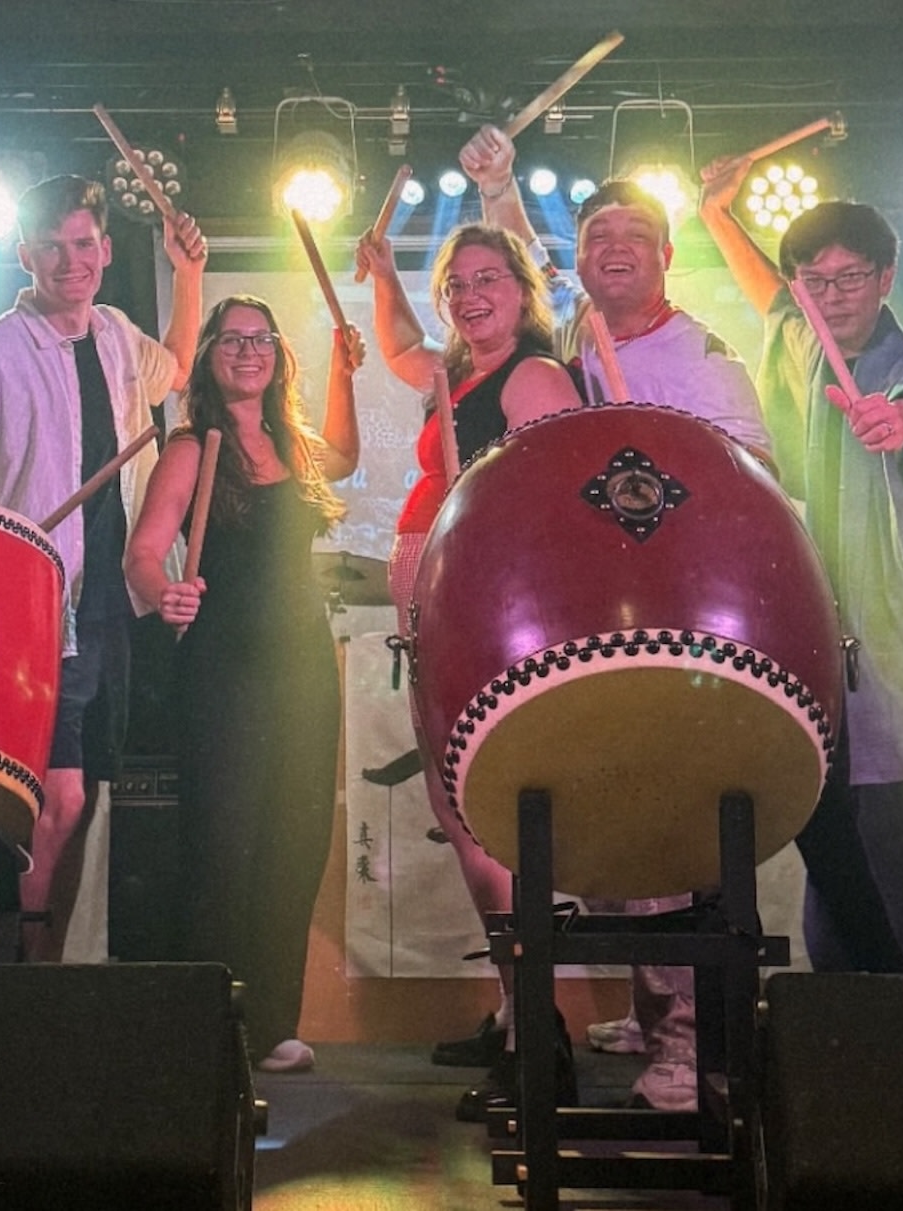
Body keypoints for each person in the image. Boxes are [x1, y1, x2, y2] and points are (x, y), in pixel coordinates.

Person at [456, 123, 774, 1114]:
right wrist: (499, 186)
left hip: (680, 625)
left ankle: (688, 1044)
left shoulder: (694, 355)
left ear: (666, 253)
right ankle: (650, 1014)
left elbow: (745, 478)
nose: (611, 248)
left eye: (631, 232)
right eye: (595, 236)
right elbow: (516, 274)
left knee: (663, 842)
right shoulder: (582, 349)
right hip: (607, 618)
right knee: (611, 830)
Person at [698, 158, 903, 975]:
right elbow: (774, 293)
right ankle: (855, 1038)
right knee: (831, 843)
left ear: (885, 277)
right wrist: (716, 215)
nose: (831, 296)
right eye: (817, 281)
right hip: (827, 655)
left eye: (849, 279)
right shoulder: (804, 335)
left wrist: (893, 421)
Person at [0, 175, 206, 961]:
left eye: (83, 244)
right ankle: (19, 967)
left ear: (106, 252)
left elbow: (175, 370)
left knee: (83, 799)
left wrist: (187, 277)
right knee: (59, 794)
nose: (69, 260)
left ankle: (39, 962)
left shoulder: (113, 333)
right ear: (24, 255)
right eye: (51, 246)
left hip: (107, 599)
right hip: (34, 606)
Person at [356, 220, 585, 1119]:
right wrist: (382, 275)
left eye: (489, 277)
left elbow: (556, 493)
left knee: (488, 826)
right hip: (442, 618)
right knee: (465, 825)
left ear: (524, 291)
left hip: (487, 617)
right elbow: (403, 347)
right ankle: (512, 1010)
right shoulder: (458, 375)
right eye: (455, 281)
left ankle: (541, 1037)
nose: (470, 293)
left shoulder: (533, 376)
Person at [123, 295, 361, 1073]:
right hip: (224, 669)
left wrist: (348, 371)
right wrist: (168, 594)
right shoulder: (194, 447)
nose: (247, 350)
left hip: (302, 665)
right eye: (231, 339)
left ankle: (273, 1021)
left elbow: (348, 457)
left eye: (261, 338)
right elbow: (143, 555)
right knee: (223, 844)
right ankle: (212, 1021)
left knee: (297, 842)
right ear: (210, 356)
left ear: (278, 354)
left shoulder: (294, 444)